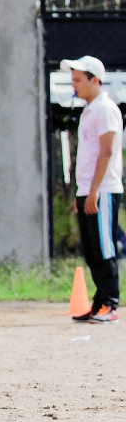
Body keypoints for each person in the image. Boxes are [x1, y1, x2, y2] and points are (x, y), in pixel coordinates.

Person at [62, 56, 122, 323]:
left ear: (94, 80)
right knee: (90, 249)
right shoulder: (89, 110)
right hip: (88, 189)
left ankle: (110, 304)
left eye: (78, 80)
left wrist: (95, 190)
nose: (73, 85)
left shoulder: (106, 109)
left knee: (103, 247)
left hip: (104, 189)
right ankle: (99, 302)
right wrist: (81, 192)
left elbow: (107, 151)